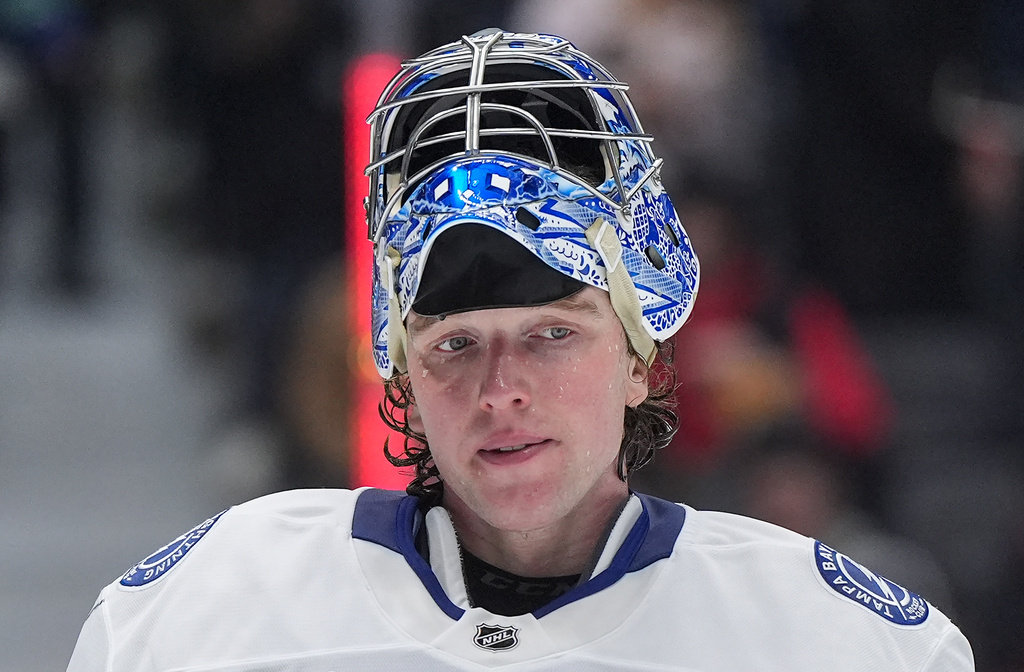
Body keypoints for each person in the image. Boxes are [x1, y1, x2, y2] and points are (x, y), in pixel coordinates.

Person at [66, 30, 973, 670]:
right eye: (456, 344)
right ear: (404, 377)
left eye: (551, 336)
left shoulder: (837, 641)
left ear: (639, 357)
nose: (501, 389)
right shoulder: (208, 610)